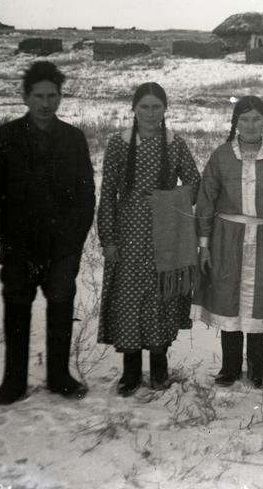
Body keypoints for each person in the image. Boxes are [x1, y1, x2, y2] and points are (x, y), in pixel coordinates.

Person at [0, 61, 95, 405]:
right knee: (16, 309)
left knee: (60, 308)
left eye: (53, 96)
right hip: (19, 246)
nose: (46, 104)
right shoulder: (5, 137)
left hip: (60, 247)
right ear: (26, 98)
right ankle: (13, 382)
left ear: (60, 98)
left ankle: (59, 377)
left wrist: (73, 244)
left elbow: (86, 196)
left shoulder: (74, 138)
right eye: (39, 96)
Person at [97, 82, 201, 396]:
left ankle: (159, 369)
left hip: (164, 232)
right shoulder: (119, 144)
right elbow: (108, 194)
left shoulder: (175, 143)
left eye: (157, 107)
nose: (151, 113)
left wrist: (167, 201)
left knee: (160, 296)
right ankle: (130, 372)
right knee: (130, 297)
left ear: (165, 110)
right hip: (128, 232)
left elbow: (195, 182)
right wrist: (109, 239)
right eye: (145, 107)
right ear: (134, 109)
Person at [194, 96, 263, 389]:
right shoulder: (221, 156)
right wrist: (204, 244)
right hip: (227, 238)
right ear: (235, 123)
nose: (250, 125)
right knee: (228, 299)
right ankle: (229, 366)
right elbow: (206, 201)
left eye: (256, 119)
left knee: (258, 301)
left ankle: (258, 366)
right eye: (244, 119)